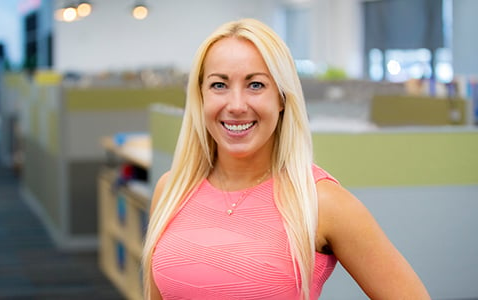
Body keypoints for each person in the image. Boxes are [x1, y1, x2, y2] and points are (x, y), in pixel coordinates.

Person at [142, 18, 430, 300]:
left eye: (255, 85)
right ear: (200, 96)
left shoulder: (321, 201)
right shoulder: (171, 190)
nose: (237, 105)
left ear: (281, 98)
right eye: (219, 85)